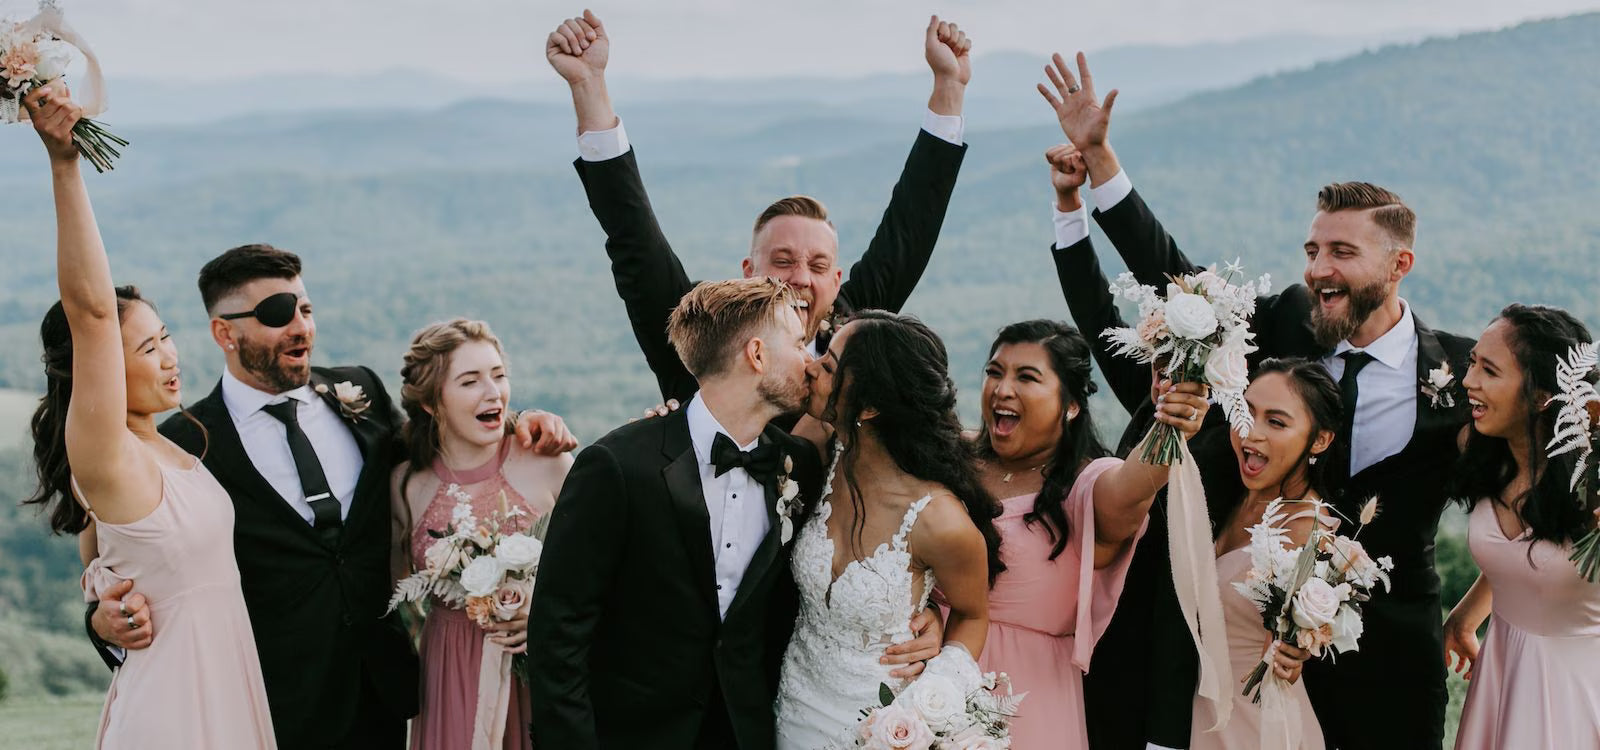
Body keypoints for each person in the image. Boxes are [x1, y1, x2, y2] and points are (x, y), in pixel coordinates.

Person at [1041, 52, 1473, 748]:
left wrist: (1472, 609)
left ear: (1400, 266)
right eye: (1312, 248)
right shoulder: (1284, 320)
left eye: (1341, 252)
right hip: (1248, 654)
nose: (1318, 268)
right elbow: (1177, 277)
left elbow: (1521, 491)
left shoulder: (1459, 371)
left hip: (1388, 653)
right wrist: (1101, 163)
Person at [82, 242, 576, 748]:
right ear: (224, 333)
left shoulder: (359, 392)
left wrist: (521, 425)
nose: (301, 327)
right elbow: (126, 557)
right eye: (278, 314)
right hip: (275, 703)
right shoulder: (187, 443)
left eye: (306, 309)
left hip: (383, 694)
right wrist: (101, 620)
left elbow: (441, 452)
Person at [529, 278, 891, 750]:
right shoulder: (617, 467)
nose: (810, 361)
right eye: (800, 343)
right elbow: (558, 637)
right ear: (757, 355)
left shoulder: (799, 465)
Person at [21, 84, 276, 749]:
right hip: (175, 710)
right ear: (100, 369)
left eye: (167, 337)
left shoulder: (163, 450)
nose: (169, 358)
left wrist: (103, 617)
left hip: (227, 687)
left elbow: (107, 566)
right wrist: (64, 163)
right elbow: (92, 313)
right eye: (146, 347)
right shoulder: (109, 459)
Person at [545, 10, 972, 404]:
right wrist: (588, 84)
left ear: (837, 280)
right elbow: (633, 236)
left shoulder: (854, 332)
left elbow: (911, 226)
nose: (801, 278)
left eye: (818, 265)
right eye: (783, 260)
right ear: (748, 272)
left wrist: (949, 88)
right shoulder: (700, 337)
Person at [966, 318, 1213, 748]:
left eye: (1026, 377)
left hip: (1028, 711)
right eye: (994, 372)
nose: (1003, 389)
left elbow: (1133, 485)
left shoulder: (1085, 487)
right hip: (926, 694)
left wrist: (1170, 425)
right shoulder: (956, 460)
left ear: (1071, 405)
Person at [774, 311, 1001, 749]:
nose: (811, 366)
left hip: (876, 724)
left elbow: (973, 615)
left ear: (871, 406)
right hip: (794, 706)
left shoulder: (940, 521)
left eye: (830, 365)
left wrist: (927, 704)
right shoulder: (824, 447)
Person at [390, 319, 574, 750]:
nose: (493, 393)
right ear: (434, 403)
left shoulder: (550, 464)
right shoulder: (406, 486)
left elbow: (601, 573)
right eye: (470, 381)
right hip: (450, 672)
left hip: (540, 669)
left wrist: (548, 618)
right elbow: (389, 599)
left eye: (499, 375)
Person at [1443, 304, 1600, 749]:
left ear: (1539, 396)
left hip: (1576, 687)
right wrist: (1466, 615)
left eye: (1489, 371)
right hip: (1501, 672)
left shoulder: (1593, 482)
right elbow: (1520, 561)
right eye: (1473, 362)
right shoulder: (1485, 452)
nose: (1469, 381)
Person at [1192, 360, 1336, 750]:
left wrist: (1297, 648)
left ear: (1319, 440)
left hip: (1259, 728)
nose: (1250, 433)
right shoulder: (1229, 490)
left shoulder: (1311, 533)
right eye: (1246, 411)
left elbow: (1307, 636)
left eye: (1276, 421)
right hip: (1197, 717)